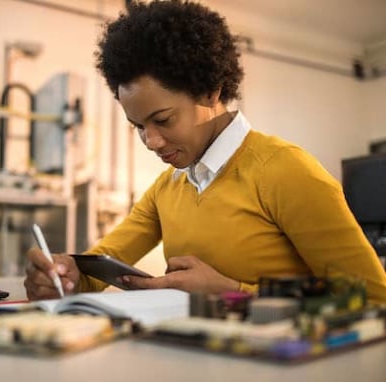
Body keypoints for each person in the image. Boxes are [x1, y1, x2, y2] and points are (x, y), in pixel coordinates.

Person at [24, 0, 386, 303]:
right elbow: (101, 266)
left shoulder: (285, 170)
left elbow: (372, 297)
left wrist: (233, 293)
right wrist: (66, 277)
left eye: (162, 119)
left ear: (210, 92)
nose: (151, 141)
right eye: (138, 127)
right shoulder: (168, 189)